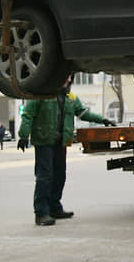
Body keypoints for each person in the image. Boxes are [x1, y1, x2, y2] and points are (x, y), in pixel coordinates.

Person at [17, 74, 115, 226]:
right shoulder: (41, 93)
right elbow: (28, 115)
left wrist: (102, 120)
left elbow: (84, 113)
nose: (68, 80)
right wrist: (24, 135)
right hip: (44, 141)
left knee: (59, 175)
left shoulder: (71, 97)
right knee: (45, 176)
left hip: (61, 142)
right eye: (65, 77)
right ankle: (41, 213)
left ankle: (55, 208)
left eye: (69, 77)